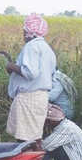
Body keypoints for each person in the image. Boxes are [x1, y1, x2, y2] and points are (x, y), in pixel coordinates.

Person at [6, 13, 56, 151]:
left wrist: (12, 67)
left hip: (28, 97)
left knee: (24, 139)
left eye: (23, 31)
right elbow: (52, 75)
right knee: (36, 136)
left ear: (28, 33)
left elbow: (30, 72)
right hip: (41, 97)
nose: (23, 34)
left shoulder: (31, 46)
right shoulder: (47, 49)